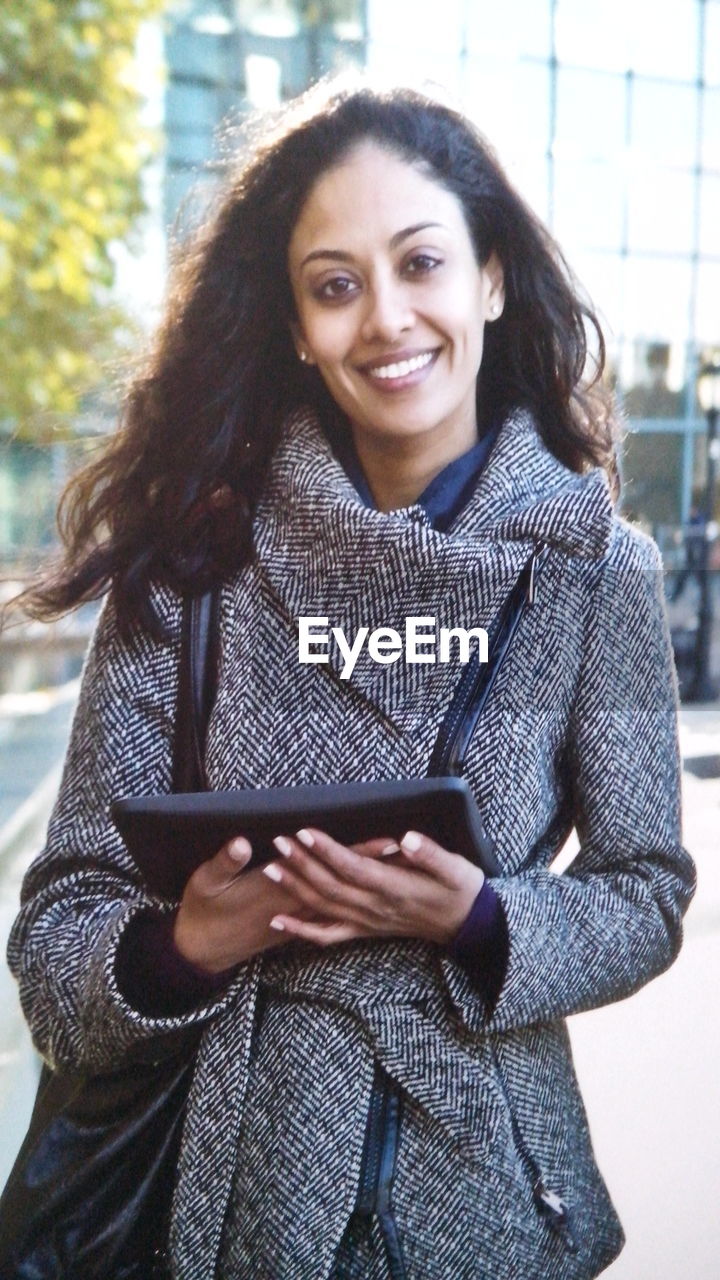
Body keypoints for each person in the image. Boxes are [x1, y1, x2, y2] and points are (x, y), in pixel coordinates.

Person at [6, 82, 695, 1279]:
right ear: (294, 327)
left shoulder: (598, 573)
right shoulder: (189, 570)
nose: (386, 318)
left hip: (484, 1186)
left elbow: (645, 892)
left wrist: (477, 918)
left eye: (421, 263)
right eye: (335, 284)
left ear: (489, 278)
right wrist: (184, 945)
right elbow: (57, 934)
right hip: (223, 1197)